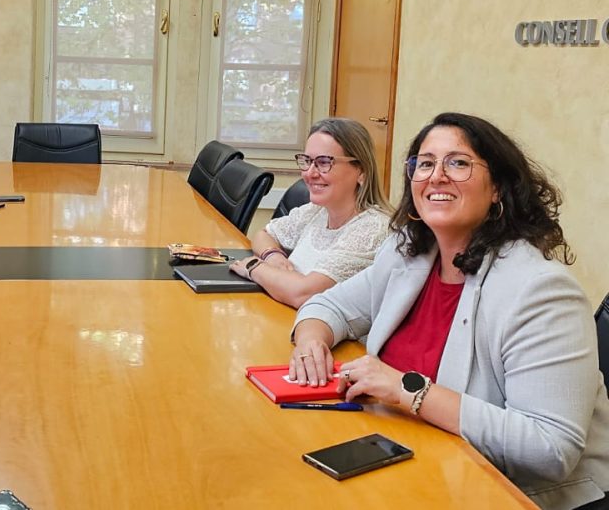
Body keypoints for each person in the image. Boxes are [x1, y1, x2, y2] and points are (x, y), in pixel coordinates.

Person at [291, 112, 609, 510]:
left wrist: (408, 389)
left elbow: (550, 448)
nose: (436, 176)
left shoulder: (539, 291)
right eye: (425, 163)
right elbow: (328, 304)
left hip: (504, 492)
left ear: (498, 188)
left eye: (458, 163)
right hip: (409, 459)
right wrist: (310, 343)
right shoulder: (408, 254)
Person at [229, 118, 390, 308]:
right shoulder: (317, 212)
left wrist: (254, 267)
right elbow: (263, 234)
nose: (309, 173)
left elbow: (303, 294)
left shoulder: (372, 229)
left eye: (323, 162)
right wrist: (273, 256)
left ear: (361, 171)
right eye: (307, 161)